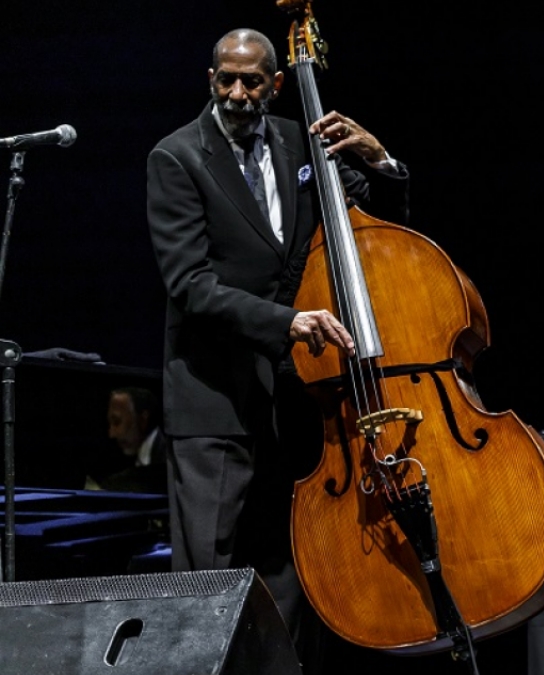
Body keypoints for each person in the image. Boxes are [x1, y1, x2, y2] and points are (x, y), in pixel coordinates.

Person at [145, 26, 409, 661]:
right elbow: (190, 285)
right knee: (207, 579)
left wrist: (380, 161)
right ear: (210, 79)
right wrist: (285, 322)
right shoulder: (176, 157)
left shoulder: (302, 140)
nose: (237, 93)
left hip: (295, 401)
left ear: (277, 84)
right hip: (215, 401)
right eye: (226, 80)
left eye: (252, 81)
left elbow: (373, 227)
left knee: (290, 574)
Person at [85, 386, 168, 494]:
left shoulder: (167, 460)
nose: (111, 434)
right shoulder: (135, 458)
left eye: (117, 422)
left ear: (143, 419)